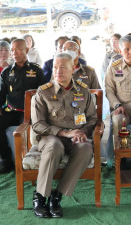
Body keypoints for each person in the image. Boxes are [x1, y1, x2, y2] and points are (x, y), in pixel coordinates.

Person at [31, 52, 97, 218]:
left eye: (63, 67)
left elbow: (92, 119)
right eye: (55, 67)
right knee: (55, 146)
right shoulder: (43, 92)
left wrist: (83, 132)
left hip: (75, 137)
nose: (58, 71)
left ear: (73, 69)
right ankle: (40, 197)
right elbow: (38, 124)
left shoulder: (83, 91)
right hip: (50, 137)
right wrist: (65, 133)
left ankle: (57, 196)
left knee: (86, 148)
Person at [0, 39, 44, 174]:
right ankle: (7, 161)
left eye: (18, 49)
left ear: (26, 50)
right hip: (12, 111)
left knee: (32, 128)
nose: (14, 53)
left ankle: (33, 162)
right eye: (12, 50)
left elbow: (44, 94)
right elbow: (1, 95)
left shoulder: (36, 70)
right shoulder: (7, 72)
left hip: (30, 112)